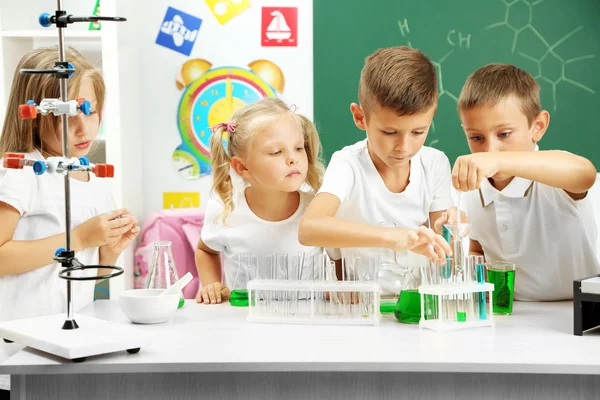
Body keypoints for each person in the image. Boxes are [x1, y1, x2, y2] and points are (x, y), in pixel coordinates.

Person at [298, 46, 454, 293]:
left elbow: (444, 244)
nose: (404, 146)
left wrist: (453, 228)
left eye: (418, 132)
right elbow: (309, 229)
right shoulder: (347, 164)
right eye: (390, 132)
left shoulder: (435, 164)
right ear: (360, 118)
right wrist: (393, 237)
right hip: (362, 308)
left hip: (416, 308)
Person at [0, 46, 139, 322]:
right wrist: (79, 238)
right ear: (34, 117)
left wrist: (107, 252)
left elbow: (85, 277)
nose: (83, 128)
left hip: (72, 329)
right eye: (65, 116)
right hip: (18, 340)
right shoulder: (20, 172)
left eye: (91, 112)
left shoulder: (94, 178)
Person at [454, 63, 598, 300]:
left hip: (578, 311)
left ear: (537, 126)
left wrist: (501, 162)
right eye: (476, 137)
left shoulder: (554, 173)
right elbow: (478, 248)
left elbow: (585, 174)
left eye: (504, 134)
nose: (490, 149)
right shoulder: (474, 188)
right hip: (513, 316)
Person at [195, 97, 328, 304]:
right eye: (276, 152)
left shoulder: (318, 208)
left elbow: (340, 257)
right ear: (242, 168)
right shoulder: (225, 211)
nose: (293, 158)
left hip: (306, 325)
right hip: (245, 324)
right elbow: (205, 250)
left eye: (299, 148)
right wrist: (211, 284)